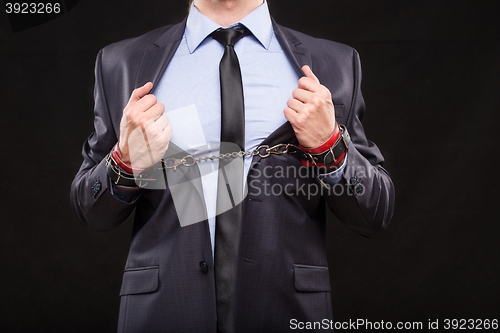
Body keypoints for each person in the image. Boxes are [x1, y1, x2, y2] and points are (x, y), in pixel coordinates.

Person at [70, 0, 395, 332]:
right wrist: (125, 162)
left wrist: (330, 146)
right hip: (165, 312)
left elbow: (374, 212)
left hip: (287, 312)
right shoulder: (123, 63)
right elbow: (91, 210)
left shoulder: (334, 64)